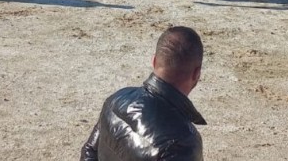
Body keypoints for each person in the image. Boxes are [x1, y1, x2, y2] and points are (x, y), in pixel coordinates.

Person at [80, 26, 206, 161]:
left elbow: (89, 150)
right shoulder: (182, 144)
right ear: (196, 73)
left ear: (154, 61)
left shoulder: (116, 99)